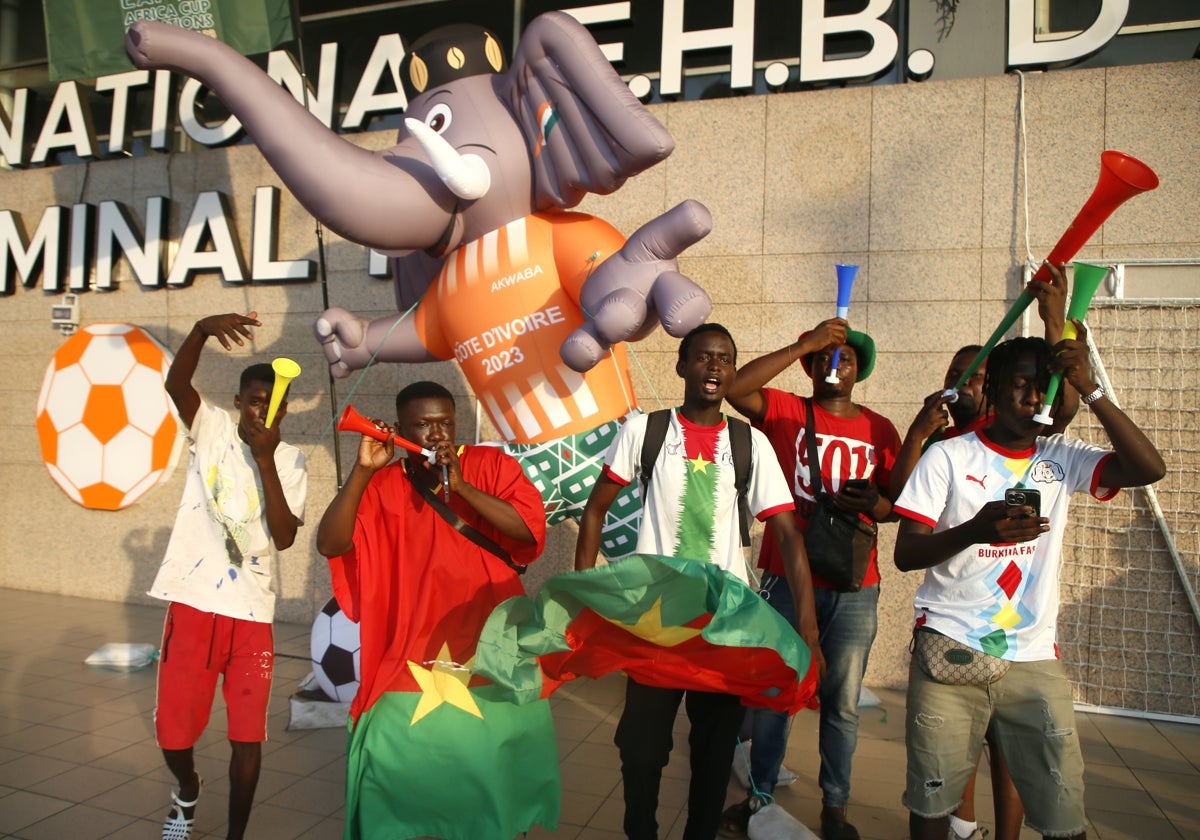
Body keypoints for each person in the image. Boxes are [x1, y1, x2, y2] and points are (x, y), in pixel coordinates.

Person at [893, 327, 1165, 840]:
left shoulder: (1061, 456)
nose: (1034, 396)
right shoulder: (948, 456)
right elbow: (906, 552)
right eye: (1020, 384)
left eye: (1043, 385)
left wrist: (1092, 390)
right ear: (993, 388)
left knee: (1064, 810)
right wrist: (977, 530)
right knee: (932, 803)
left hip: (1034, 655)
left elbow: (1149, 468)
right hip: (951, 647)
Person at [574, 323, 823, 840]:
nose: (715, 367)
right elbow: (595, 510)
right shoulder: (644, 431)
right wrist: (584, 589)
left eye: (725, 359)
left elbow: (787, 533)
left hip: (724, 624)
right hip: (658, 620)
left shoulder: (749, 441)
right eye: (704, 357)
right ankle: (639, 829)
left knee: (712, 756)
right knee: (640, 750)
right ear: (681, 366)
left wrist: (808, 627)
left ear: (733, 372)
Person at [316, 381, 558, 840]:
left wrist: (462, 486)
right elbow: (330, 542)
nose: (435, 434)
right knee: (393, 765)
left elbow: (527, 532)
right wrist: (364, 471)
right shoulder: (384, 483)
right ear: (400, 429)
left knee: (493, 769)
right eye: (421, 425)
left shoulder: (492, 465)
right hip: (409, 651)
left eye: (444, 422)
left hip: (491, 650)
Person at [891, 262, 1074, 840]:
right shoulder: (945, 449)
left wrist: (1058, 325)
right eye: (956, 376)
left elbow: (1061, 406)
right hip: (955, 639)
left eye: (970, 377)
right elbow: (903, 530)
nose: (962, 386)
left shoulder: (1043, 445)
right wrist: (920, 435)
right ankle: (964, 827)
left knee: (1013, 758)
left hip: (1024, 647)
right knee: (946, 769)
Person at [723, 320, 901, 840]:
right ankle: (758, 797)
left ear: (859, 370)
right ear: (809, 364)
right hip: (785, 578)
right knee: (779, 693)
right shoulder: (786, 412)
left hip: (854, 585)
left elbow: (896, 507)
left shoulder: (879, 429)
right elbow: (738, 389)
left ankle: (836, 808)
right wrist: (806, 342)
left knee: (841, 703)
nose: (834, 366)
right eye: (825, 358)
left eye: (844, 359)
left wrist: (874, 504)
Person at [149, 311, 308, 840]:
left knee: (247, 738)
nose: (263, 410)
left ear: (285, 410)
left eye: (274, 403)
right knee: (173, 736)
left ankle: (234, 836)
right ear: (239, 401)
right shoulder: (212, 428)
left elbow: (284, 536)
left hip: (250, 615)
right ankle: (187, 788)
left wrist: (265, 461)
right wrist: (198, 331)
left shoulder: (292, 461)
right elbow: (176, 383)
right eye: (255, 400)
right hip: (193, 603)